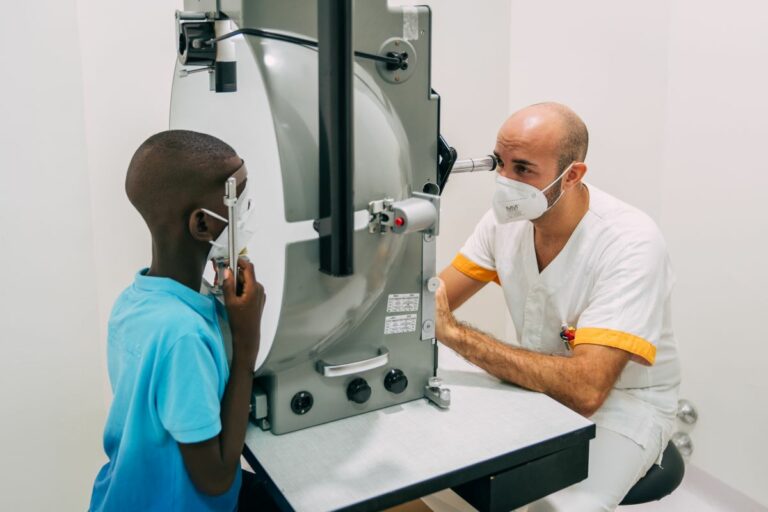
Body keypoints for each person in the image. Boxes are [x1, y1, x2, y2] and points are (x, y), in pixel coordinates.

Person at [435, 103, 681, 511]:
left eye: (523, 169)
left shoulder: (630, 243)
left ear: (572, 176)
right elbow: (435, 298)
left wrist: (456, 334)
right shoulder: (503, 223)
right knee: (446, 475)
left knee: (556, 508)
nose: (505, 181)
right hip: (534, 383)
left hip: (622, 404)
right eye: (500, 163)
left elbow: (587, 390)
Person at [89, 130, 266, 511]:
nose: (247, 213)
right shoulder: (182, 335)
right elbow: (216, 479)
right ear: (202, 225)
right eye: (239, 204)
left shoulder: (134, 300)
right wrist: (247, 344)